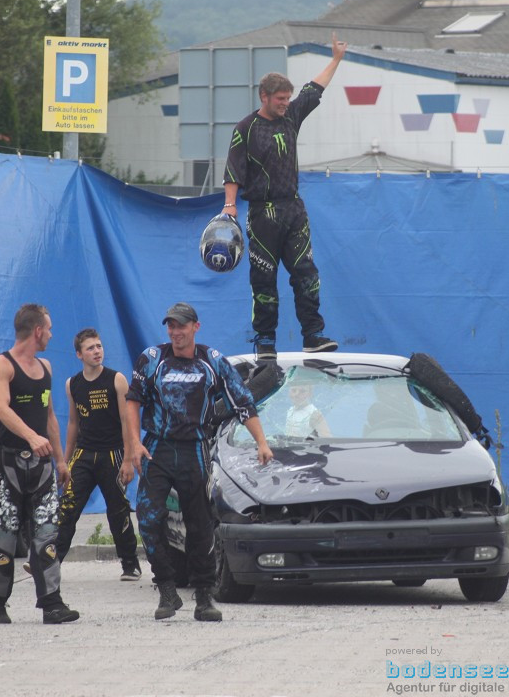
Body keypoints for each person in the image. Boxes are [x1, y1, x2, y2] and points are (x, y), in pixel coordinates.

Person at [126, 302, 273, 622]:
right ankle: (166, 588)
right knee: (149, 520)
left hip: (194, 449)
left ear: (196, 327)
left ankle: (204, 597)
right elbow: (132, 401)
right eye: (171, 326)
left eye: (181, 326)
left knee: (201, 525)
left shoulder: (213, 361)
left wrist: (261, 441)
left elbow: (243, 402)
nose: (175, 332)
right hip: (157, 449)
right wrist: (134, 444)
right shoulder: (152, 359)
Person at [222, 33, 348, 360]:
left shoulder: (292, 116)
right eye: (279, 98)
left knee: (306, 272)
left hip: (294, 209)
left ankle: (313, 335)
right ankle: (265, 341)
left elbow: (314, 88)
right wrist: (229, 206)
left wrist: (335, 59)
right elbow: (233, 169)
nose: (285, 103)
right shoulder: (245, 128)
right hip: (262, 214)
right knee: (264, 278)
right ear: (264, 96)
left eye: (287, 98)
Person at [0, 304, 78, 624]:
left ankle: (51, 603)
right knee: (3, 537)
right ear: (37, 330)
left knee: (47, 535)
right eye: (48, 329)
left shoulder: (46, 367)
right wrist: (31, 438)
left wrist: (61, 460)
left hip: (42, 468)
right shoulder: (1, 365)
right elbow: (1, 409)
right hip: (7, 463)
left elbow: (49, 416)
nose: (51, 334)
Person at [54, 328, 142, 581]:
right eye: (91, 348)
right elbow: (73, 422)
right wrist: (65, 462)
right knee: (67, 507)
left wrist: (127, 459)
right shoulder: (73, 384)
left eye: (99, 346)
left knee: (118, 510)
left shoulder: (116, 380)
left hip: (113, 454)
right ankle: (52, 563)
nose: (97, 351)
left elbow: (127, 421)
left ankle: (130, 564)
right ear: (79, 354)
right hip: (83, 454)